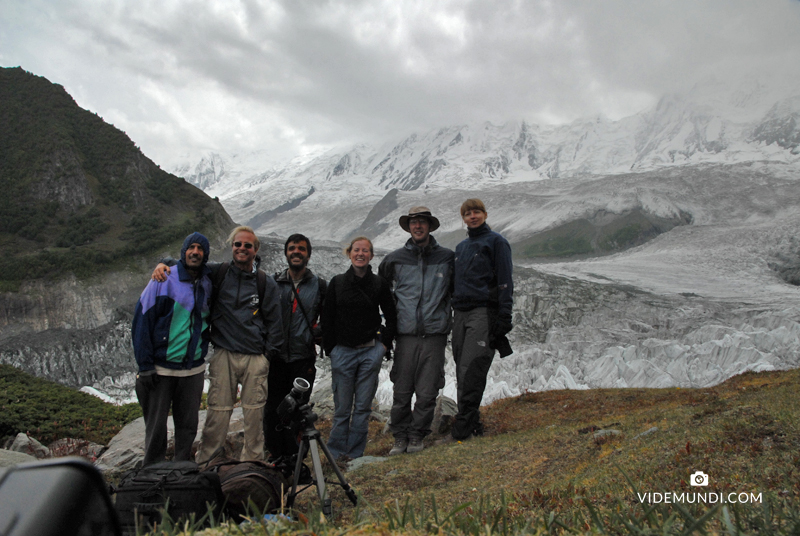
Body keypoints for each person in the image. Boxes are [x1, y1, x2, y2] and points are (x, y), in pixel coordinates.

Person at [152, 226, 283, 462]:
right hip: (224, 353)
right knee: (218, 411)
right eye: (238, 244)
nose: (242, 248)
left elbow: (275, 322)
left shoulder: (265, 282)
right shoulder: (218, 273)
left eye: (247, 245)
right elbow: (189, 264)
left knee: (254, 414)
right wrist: (164, 264)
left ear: (255, 250)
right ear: (232, 247)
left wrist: (267, 356)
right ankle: (207, 461)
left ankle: (252, 463)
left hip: (255, 357)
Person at [378, 207, 454, 455]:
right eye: (414, 223)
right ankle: (400, 436)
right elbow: (383, 295)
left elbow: (456, 293)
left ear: (430, 226)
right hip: (406, 335)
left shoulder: (447, 258)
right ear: (408, 227)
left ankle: (417, 435)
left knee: (427, 391)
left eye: (422, 222)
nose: (418, 226)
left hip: (434, 335)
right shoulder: (394, 259)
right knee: (401, 390)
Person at [132, 232, 212, 466]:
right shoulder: (164, 279)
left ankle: (181, 472)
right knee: (156, 429)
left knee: (187, 427)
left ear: (205, 254)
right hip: (161, 369)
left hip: (192, 370)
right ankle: (152, 474)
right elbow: (142, 322)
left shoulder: (208, 283)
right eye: (191, 247)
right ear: (184, 251)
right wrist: (145, 365)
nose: (195, 252)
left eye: (200, 249)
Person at [440, 198, 513, 444]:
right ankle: (473, 422)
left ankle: (463, 429)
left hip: (482, 312)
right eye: (468, 213)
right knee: (462, 367)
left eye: (477, 212)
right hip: (460, 313)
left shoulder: (497, 242)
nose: (473, 216)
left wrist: (504, 316)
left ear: (485, 214)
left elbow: (505, 281)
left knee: (471, 368)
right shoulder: (461, 248)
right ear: (463, 218)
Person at [322, 236, 397, 460]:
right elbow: (327, 317)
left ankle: (355, 454)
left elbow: (392, 315)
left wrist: (383, 345)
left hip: (369, 351)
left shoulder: (379, 284)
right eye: (356, 250)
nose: (360, 254)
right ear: (350, 253)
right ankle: (336, 454)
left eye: (365, 250)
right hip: (343, 351)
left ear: (371, 255)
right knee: (342, 408)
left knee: (362, 408)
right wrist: (331, 349)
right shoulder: (337, 282)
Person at [264, 233, 326, 460]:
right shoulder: (273, 282)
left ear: (308, 254)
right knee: (272, 410)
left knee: (298, 411)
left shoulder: (318, 285)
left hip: (302, 359)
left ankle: (295, 458)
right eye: (292, 248)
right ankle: (275, 456)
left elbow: (329, 316)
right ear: (286, 253)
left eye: (301, 249)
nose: (296, 252)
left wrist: (317, 334)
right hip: (277, 358)